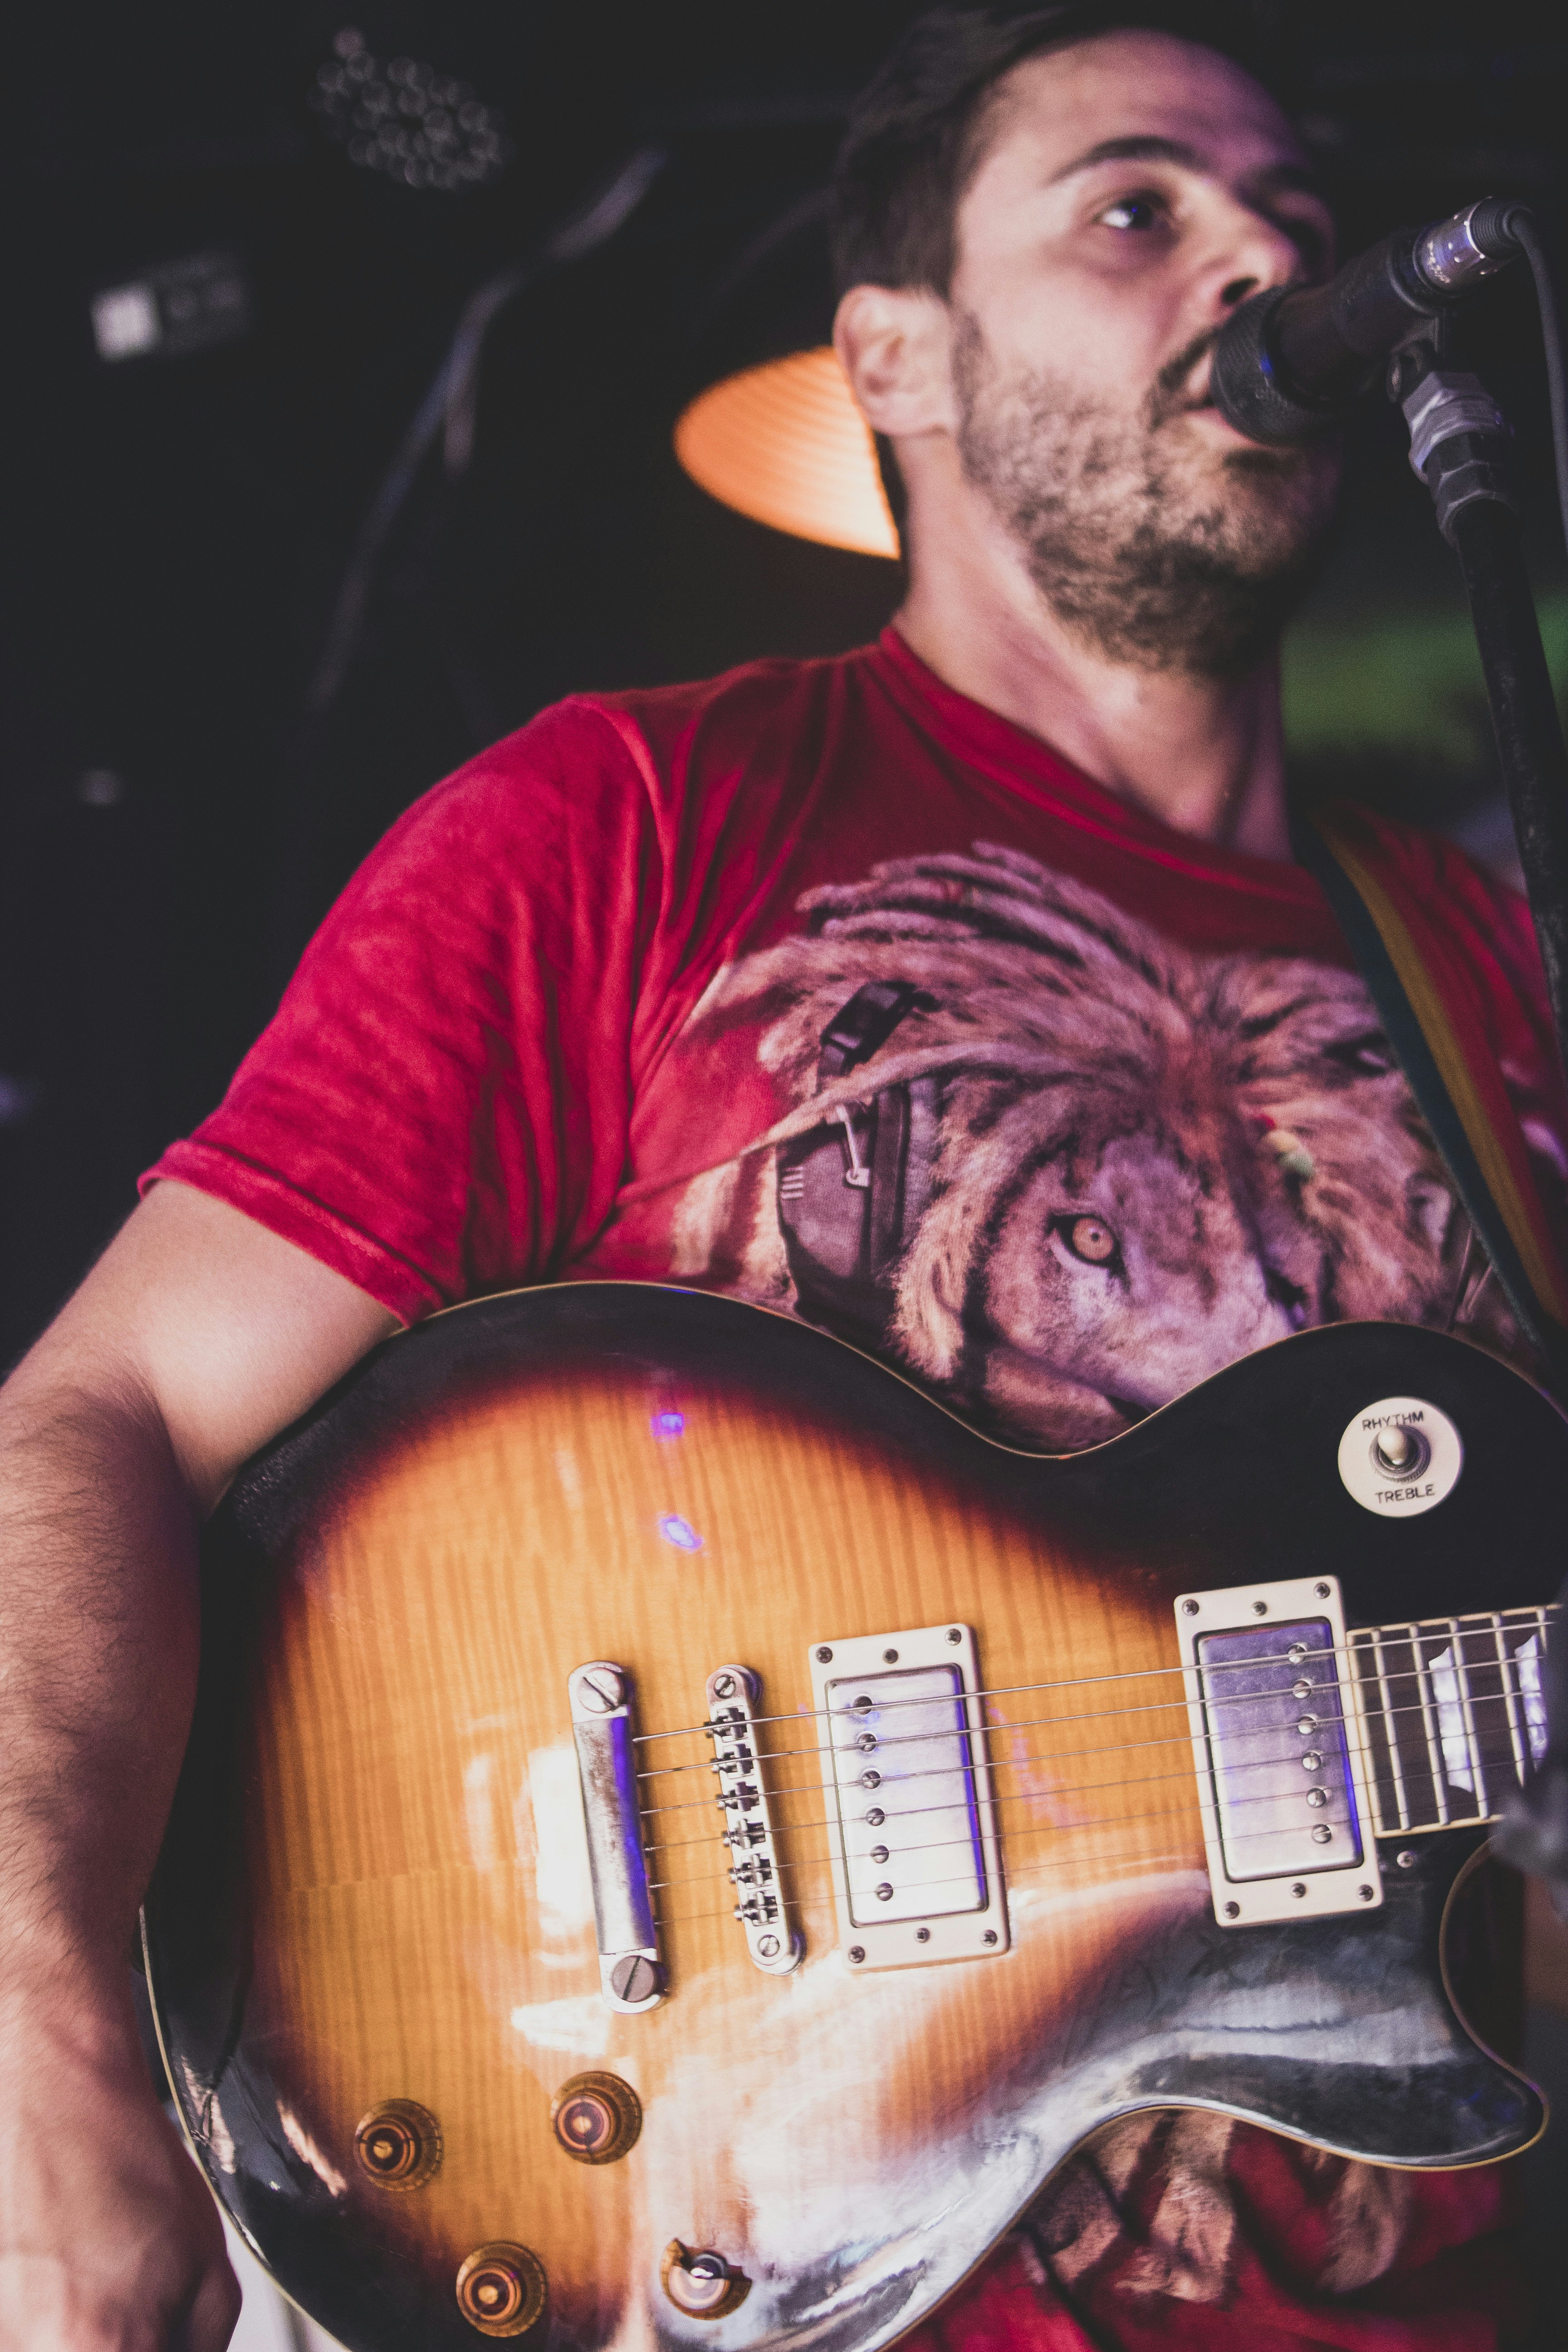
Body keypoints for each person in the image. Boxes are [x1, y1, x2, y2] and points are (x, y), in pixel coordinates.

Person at [0, 4, 1558, 2346]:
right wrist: (39, 2027)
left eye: (1299, 222)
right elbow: (95, 1417)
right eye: (1139, 206)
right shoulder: (627, 823)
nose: (1257, 253)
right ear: (894, 357)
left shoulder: (1491, 963)